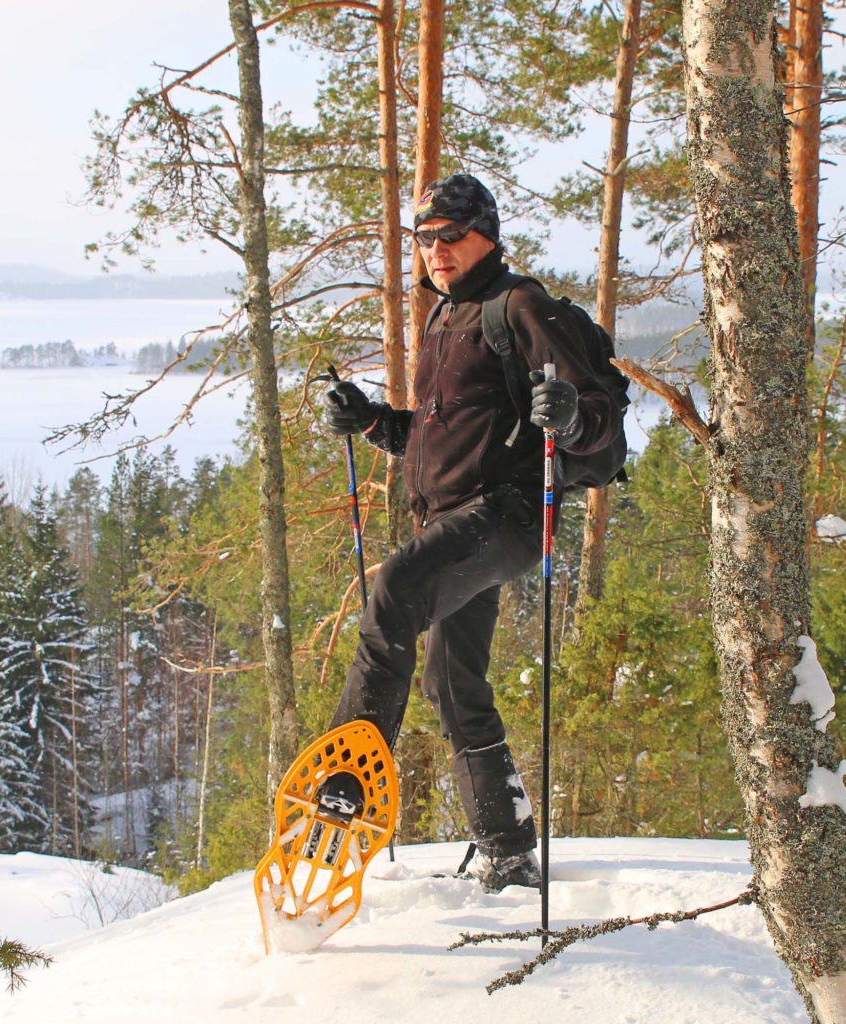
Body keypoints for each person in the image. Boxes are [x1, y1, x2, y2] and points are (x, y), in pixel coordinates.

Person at [316, 173, 620, 892]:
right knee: (450, 681)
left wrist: (573, 415)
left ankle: (340, 793)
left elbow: (600, 427)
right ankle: (507, 848)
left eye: (451, 234)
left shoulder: (520, 305)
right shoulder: (444, 319)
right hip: (458, 520)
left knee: (393, 590)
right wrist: (372, 421)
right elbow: (440, 437)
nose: (436, 249)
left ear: (486, 231)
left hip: (508, 515)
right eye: (424, 238)